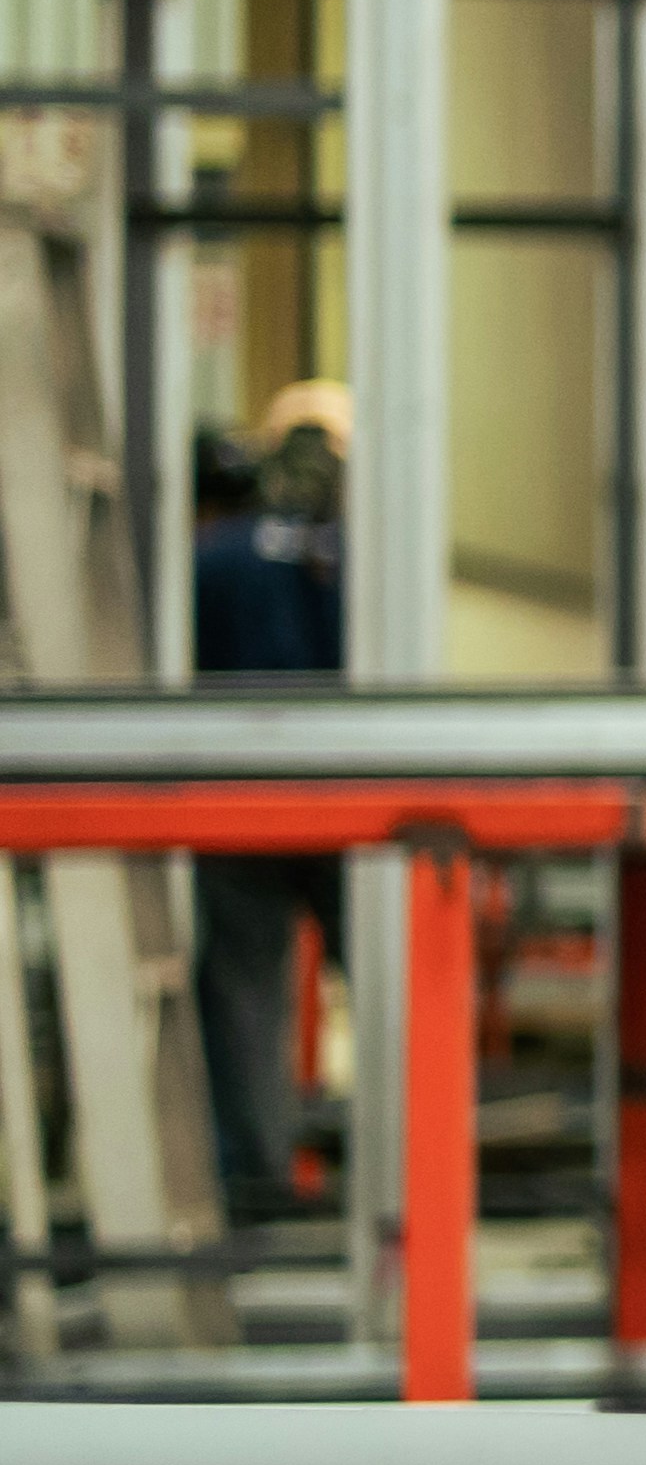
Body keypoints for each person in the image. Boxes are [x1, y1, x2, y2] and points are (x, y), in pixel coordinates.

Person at [186, 402, 350, 1215]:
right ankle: (421, 1149)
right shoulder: (338, 556)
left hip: (235, 798)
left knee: (247, 986)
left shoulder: (209, 560)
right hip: (343, 797)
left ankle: (254, 1174)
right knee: (394, 971)